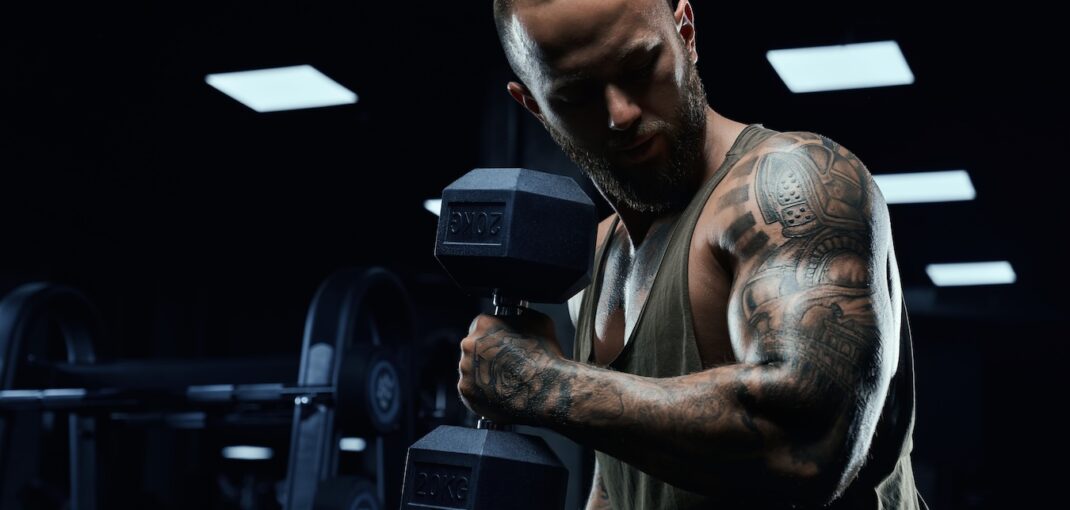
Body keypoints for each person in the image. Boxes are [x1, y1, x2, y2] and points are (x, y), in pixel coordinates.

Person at [458, 0, 927, 508]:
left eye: (640, 68)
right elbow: (620, 485)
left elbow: (806, 444)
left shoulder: (787, 183)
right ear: (533, 106)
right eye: (576, 95)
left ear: (686, 32)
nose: (621, 114)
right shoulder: (594, 260)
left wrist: (544, 385)